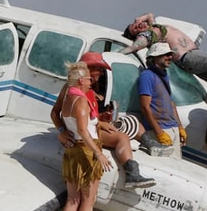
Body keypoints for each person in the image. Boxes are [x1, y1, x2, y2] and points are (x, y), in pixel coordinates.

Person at [51, 52, 155, 189]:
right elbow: (55, 112)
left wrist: (102, 120)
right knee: (121, 138)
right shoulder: (73, 89)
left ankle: (151, 144)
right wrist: (62, 131)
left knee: (133, 122)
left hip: (93, 125)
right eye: (98, 69)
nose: (101, 72)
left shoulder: (89, 88)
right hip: (82, 134)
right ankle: (132, 174)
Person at [53, 62, 113, 211]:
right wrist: (99, 153)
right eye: (88, 79)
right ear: (81, 80)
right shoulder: (80, 102)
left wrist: (62, 131)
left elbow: (56, 114)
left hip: (72, 152)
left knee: (72, 200)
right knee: (88, 200)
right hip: (86, 152)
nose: (91, 82)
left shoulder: (68, 97)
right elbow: (83, 130)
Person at [121, 12, 207, 102]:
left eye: (135, 24)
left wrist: (138, 20)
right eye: (135, 29)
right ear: (138, 35)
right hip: (187, 58)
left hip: (194, 55)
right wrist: (120, 53)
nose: (137, 26)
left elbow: (149, 15)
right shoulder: (149, 34)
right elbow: (135, 46)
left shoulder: (153, 25)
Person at [137, 42, 185, 160]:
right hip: (160, 130)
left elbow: (171, 103)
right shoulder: (147, 76)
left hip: (172, 129)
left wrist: (180, 127)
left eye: (170, 55)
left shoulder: (164, 76)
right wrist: (159, 132)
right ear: (154, 57)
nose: (170, 57)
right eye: (165, 55)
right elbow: (145, 107)